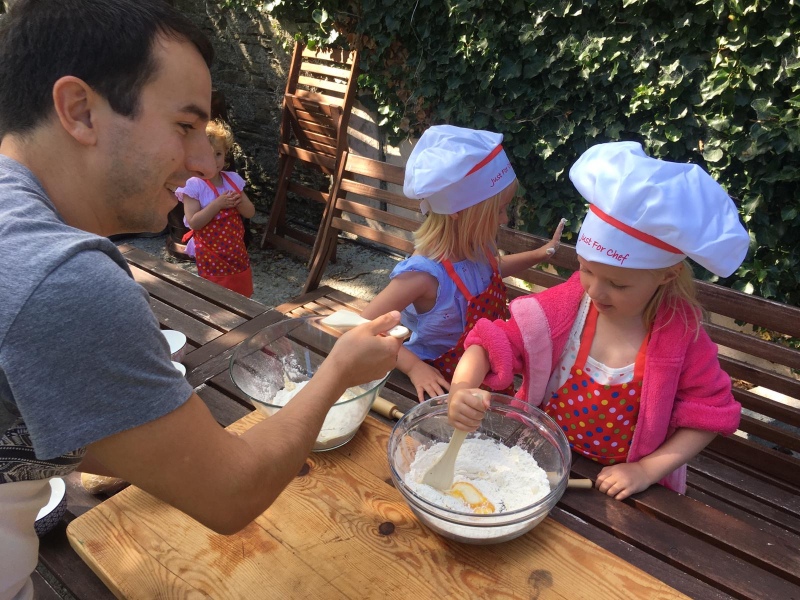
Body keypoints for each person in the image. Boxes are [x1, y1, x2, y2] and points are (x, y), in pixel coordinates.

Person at [0, 2, 401, 599]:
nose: (197, 160)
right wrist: (339, 368)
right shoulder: (63, 279)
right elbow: (230, 492)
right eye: (185, 126)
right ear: (80, 111)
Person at [447, 141, 749, 500]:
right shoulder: (569, 307)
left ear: (667, 275)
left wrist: (645, 470)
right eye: (586, 270)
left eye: (618, 284)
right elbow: (490, 342)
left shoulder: (681, 336)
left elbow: (710, 413)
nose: (596, 292)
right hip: (533, 461)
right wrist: (462, 388)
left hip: (620, 483)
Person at [360, 125, 565, 402]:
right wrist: (413, 367)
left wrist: (539, 255)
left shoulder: (475, 250)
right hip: (439, 383)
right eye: (499, 210)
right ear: (461, 213)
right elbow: (361, 326)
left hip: (486, 367)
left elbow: (494, 271)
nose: (505, 219)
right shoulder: (424, 275)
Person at [177, 119, 256, 297]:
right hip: (211, 255)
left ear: (226, 153)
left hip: (236, 251)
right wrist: (217, 205)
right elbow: (194, 223)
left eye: (218, 154)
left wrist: (240, 202)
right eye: (206, 155)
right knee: (216, 295)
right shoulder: (193, 185)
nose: (213, 160)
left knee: (242, 293)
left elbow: (250, 212)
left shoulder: (232, 180)